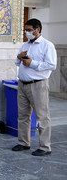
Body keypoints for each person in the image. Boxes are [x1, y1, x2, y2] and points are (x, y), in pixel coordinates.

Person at [11, 18, 57, 156]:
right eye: (26, 30)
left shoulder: (47, 45)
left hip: (38, 85)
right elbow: (17, 62)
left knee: (42, 116)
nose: (27, 32)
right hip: (23, 84)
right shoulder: (25, 45)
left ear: (38, 30)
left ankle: (44, 147)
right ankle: (23, 143)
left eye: (30, 30)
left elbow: (51, 65)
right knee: (23, 115)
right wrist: (19, 57)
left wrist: (32, 63)